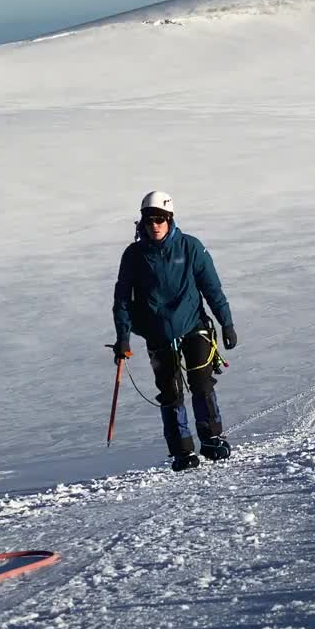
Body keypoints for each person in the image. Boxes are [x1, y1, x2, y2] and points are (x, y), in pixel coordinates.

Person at [113, 191, 238, 471]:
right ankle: (182, 451)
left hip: (193, 325)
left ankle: (212, 439)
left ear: (170, 220)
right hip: (157, 333)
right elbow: (122, 299)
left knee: (201, 383)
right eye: (149, 219)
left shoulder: (190, 247)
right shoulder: (134, 256)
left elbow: (212, 288)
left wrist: (226, 322)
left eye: (160, 219)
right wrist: (123, 338)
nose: (154, 225)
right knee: (170, 393)